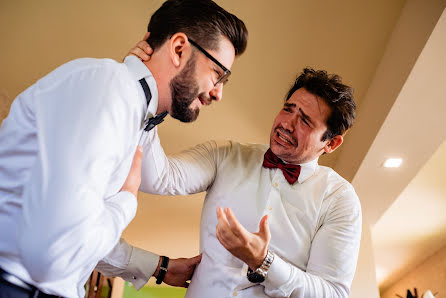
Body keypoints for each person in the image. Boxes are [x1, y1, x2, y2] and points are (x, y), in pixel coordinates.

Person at [0, 0, 248, 297]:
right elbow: (53, 258)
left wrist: (161, 267)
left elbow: (86, 229)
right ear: (179, 49)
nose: (218, 93)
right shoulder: (108, 89)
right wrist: (125, 202)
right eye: (218, 73)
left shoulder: (131, 107)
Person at [119, 43, 362, 297]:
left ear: (331, 143)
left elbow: (332, 293)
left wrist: (264, 262)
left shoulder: (339, 199)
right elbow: (158, 178)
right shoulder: (225, 154)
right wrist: (142, 93)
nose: (287, 124)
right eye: (288, 109)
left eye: (305, 121)